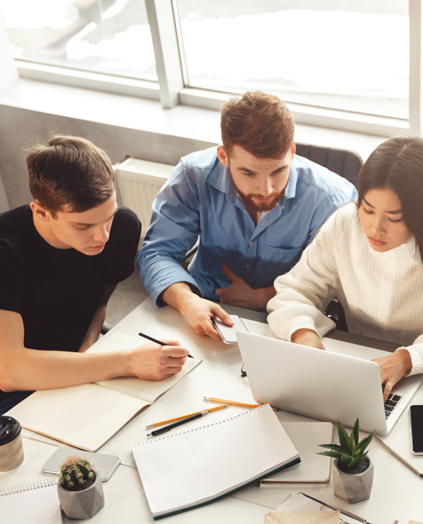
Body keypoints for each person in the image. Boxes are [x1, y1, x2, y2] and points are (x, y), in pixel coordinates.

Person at [0, 135, 188, 425]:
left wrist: (90, 340)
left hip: (73, 368)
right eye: (83, 226)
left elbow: (98, 299)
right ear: (41, 211)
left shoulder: (122, 227)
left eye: (107, 217)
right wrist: (127, 361)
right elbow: (10, 372)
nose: (102, 236)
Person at [266, 136, 423, 399]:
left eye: (394, 218)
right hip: (362, 370)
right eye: (368, 210)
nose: (375, 228)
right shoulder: (346, 223)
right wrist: (304, 335)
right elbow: (293, 291)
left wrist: (407, 358)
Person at [137, 91, 357, 340]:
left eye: (278, 171)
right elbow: (157, 253)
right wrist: (187, 301)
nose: (267, 189)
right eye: (249, 173)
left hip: (290, 318)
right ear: (224, 157)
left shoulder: (332, 199)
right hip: (200, 306)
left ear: (292, 151)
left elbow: (332, 283)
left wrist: (262, 297)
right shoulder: (192, 177)